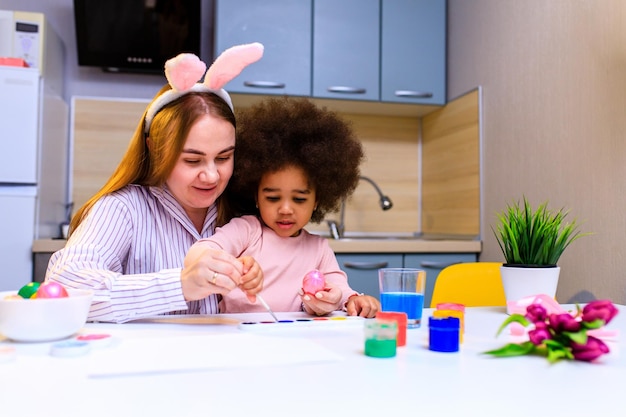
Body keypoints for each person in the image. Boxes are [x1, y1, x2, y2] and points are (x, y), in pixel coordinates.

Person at [45, 44, 266, 323]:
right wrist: (181, 285)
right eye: (192, 161)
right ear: (155, 148)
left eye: (223, 157)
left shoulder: (244, 213)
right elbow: (66, 288)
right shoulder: (122, 209)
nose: (211, 176)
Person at [188, 97, 381, 317]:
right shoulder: (247, 231)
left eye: (299, 199)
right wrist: (228, 264)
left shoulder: (318, 248)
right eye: (273, 198)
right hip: (239, 336)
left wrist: (352, 300)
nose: (286, 209)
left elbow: (339, 288)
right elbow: (205, 250)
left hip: (293, 339)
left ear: (317, 200)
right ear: (256, 196)